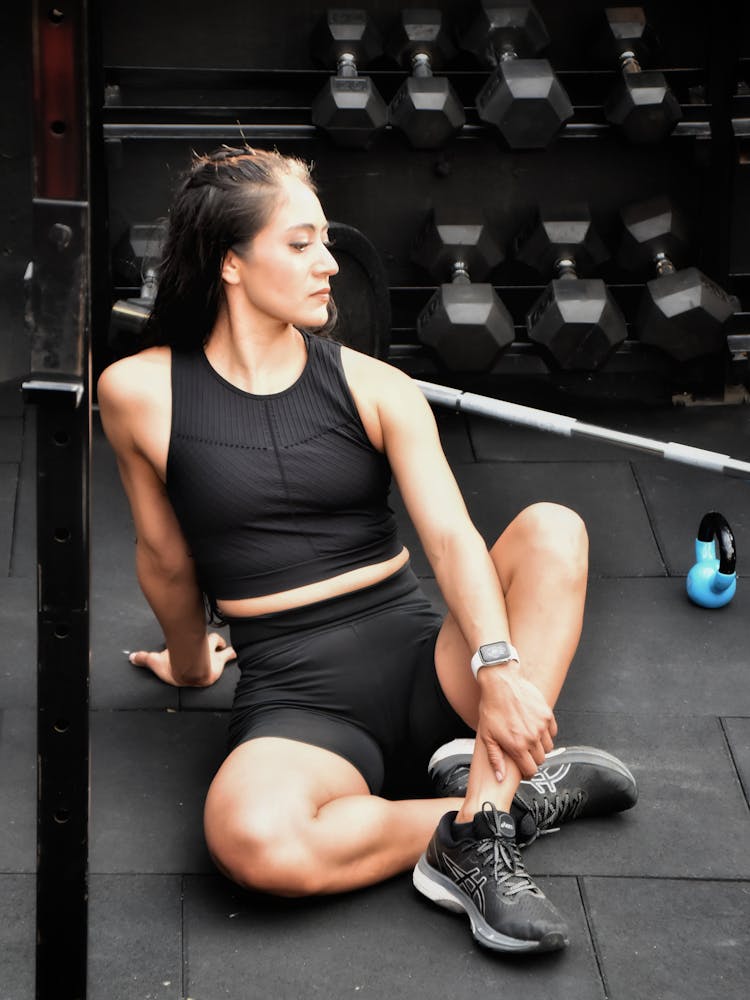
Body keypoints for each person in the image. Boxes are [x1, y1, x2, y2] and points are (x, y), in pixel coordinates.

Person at [97, 145, 637, 955]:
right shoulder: (139, 392)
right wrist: (189, 664)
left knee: (556, 527)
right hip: (301, 701)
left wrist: (497, 670)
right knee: (252, 842)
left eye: (326, 243)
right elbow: (166, 559)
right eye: (300, 243)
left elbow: (452, 540)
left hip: (427, 666)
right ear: (230, 263)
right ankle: (507, 809)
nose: (327, 265)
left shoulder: (373, 386)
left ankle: (480, 826)